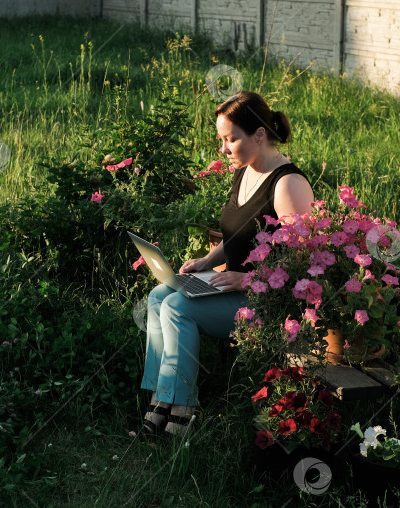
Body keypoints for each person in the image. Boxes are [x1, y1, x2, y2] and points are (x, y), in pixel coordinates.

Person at [133, 90, 315, 441]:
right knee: (159, 297)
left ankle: (181, 413)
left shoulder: (288, 184)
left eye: (230, 139)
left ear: (259, 135)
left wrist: (249, 279)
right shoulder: (245, 171)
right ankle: (161, 401)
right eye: (222, 139)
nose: (223, 149)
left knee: (176, 307)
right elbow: (236, 236)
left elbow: (303, 261)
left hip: (268, 302)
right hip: (233, 287)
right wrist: (207, 260)